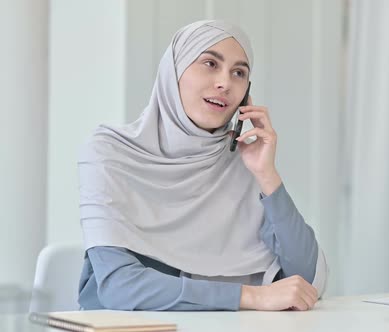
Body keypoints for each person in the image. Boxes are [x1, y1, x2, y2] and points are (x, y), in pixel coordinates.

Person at [77, 20, 327, 311]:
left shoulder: (243, 162)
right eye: (210, 63)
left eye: (239, 73)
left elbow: (305, 282)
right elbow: (118, 286)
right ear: (174, 72)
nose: (225, 83)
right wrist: (251, 296)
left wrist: (267, 175)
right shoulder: (110, 151)